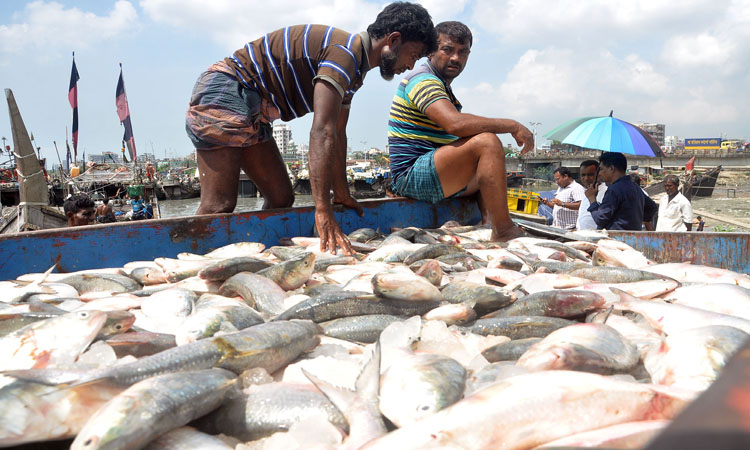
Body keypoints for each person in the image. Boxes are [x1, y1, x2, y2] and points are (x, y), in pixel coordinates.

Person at [186, 2, 438, 254]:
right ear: (393, 40)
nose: (410, 65)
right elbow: (322, 131)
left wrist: (341, 194)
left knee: (281, 198)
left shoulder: (354, 71)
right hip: (228, 90)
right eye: (413, 55)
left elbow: (338, 135)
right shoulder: (344, 55)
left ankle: (258, 250)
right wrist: (323, 209)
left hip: (256, 109)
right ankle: (189, 257)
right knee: (218, 205)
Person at [386, 21, 533, 241]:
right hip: (411, 176)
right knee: (487, 143)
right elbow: (454, 124)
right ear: (431, 50)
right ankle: (503, 230)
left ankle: (489, 223)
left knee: (488, 164)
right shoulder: (423, 80)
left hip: (433, 173)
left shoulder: (442, 86)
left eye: (463, 52)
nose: (456, 58)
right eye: (448, 49)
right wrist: (511, 125)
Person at [585, 152, 658, 231]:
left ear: (611, 168)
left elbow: (600, 219)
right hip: (633, 236)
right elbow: (652, 207)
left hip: (616, 239)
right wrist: (634, 219)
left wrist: (592, 199)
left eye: (601, 169)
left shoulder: (614, 190)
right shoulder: (634, 186)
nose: (599, 173)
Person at [576, 160, 607, 231]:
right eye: (583, 175)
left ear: (599, 174)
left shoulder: (606, 192)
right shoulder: (587, 192)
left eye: (590, 175)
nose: (586, 178)